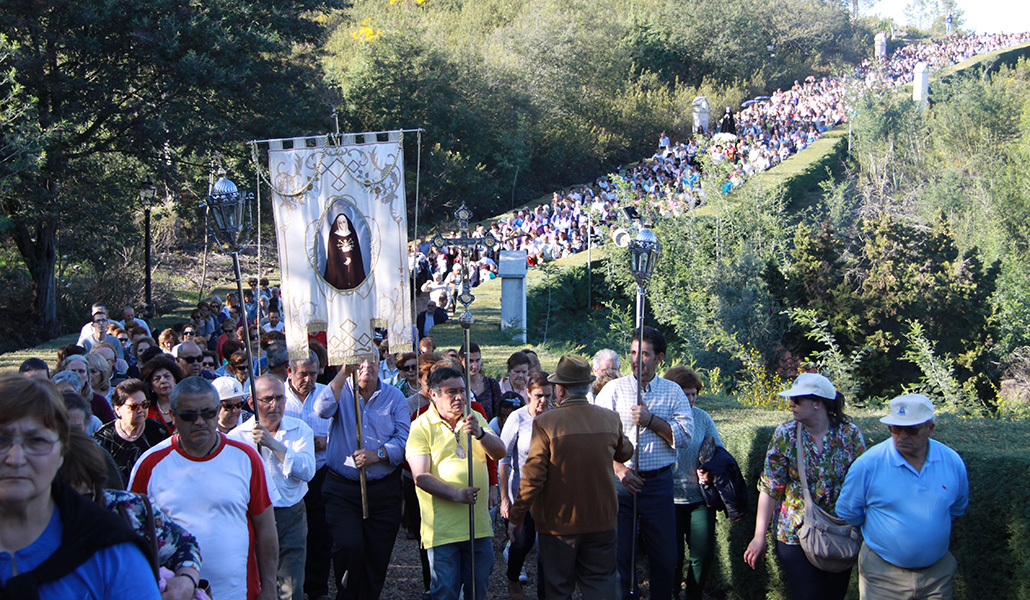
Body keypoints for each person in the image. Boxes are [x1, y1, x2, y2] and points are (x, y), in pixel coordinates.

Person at [0, 374, 160, 599]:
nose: (15, 458)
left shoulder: (110, 551)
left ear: (62, 451)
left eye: (36, 441)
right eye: (1, 440)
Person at [130, 377, 279, 600]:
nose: (199, 421)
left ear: (217, 410)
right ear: (173, 416)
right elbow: (131, 535)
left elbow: (266, 528)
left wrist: (268, 589)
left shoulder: (246, 458)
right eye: (189, 415)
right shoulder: (149, 465)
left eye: (207, 413)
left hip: (239, 593)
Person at [507, 355, 634, 600]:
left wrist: (517, 515)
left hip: (558, 523)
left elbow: (533, 476)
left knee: (558, 587)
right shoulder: (609, 418)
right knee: (601, 585)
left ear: (560, 389)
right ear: (587, 386)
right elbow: (626, 451)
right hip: (602, 519)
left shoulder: (546, 423)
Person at [743, 373, 866, 600]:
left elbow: (863, 485)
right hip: (794, 533)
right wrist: (759, 536)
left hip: (838, 532)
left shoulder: (849, 435)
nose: (791, 404)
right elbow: (771, 486)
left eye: (797, 400)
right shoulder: (786, 434)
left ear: (818, 403)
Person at [592, 326, 693, 600]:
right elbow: (597, 439)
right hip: (620, 486)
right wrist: (619, 469)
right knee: (619, 556)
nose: (638, 359)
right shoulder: (612, 391)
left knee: (665, 556)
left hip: (658, 485)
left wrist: (652, 421)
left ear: (659, 358)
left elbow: (685, 436)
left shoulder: (673, 393)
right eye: (634, 352)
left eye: (645, 354)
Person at [837, 394, 969, 600]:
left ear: (930, 428)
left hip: (937, 577)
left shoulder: (952, 461)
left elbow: (956, 508)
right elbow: (848, 511)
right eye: (896, 429)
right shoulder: (868, 464)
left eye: (912, 429)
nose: (902, 436)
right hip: (883, 577)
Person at [59, 429, 203, 600]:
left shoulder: (128, 508)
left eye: (86, 496)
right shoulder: (31, 530)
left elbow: (184, 545)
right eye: (63, 499)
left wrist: (185, 582)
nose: (77, 506)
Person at [313, 352, 410, 600]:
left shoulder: (394, 397)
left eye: (372, 360)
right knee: (348, 546)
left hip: (382, 490)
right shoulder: (340, 390)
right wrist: (343, 372)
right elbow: (322, 410)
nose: (366, 366)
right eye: (361, 361)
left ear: (380, 364)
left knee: (377, 554)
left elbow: (403, 439)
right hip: (342, 488)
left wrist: (378, 454)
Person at [406, 366, 507, 600]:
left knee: (477, 590)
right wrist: (456, 495)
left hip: (478, 526)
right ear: (433, 394)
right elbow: (420, 476)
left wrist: (480, 434)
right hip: (443, 530)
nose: (460, 397)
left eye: (463, 390)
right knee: (445, 592)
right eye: (452, 392)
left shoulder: (475, 417)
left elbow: (500, 452)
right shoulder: (420, 427)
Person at [230, 375, 316, 600]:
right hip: (253, 516)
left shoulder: (300, 429)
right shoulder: (237, 438)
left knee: (291, 585)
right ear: (251, 403)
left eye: (280, 398)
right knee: (257, 582)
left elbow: (307, 472)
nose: (274, 405)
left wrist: (274, 444)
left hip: (291, 513)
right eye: (267, 399)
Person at [664, 366, 723, 600]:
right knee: (672, 554)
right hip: (668, 498)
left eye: (693, 394)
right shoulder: (661, 417)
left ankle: (693, 593)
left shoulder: (702, 418)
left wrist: (709, 470)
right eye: (685, 393)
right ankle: (670, 592)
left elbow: (719, 451)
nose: (690, 399)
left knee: (704, 551)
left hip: (699, 498)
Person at [282, 352, 333, 600]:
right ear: (290, 371)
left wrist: (327, 442)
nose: (309, 379)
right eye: (303, 374)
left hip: (320, 472)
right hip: (287, 476)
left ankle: (317, 588)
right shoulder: (277, 397)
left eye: (314, 373)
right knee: (289, 537)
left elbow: (346, 431)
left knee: (320, 534)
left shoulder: (327, 395)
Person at [499, 372, 553, 599]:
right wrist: (504, 498)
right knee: (521, 543)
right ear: (528, 394)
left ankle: (547, 590)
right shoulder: (518, 418)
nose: (543, 401)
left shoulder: (556, 417)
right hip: (522, 491)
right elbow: (503, 457)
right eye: (539, 395)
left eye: (548, 396)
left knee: (549, 548)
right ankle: (513, 578)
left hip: (551, 494)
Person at [93, 378, 171, 486]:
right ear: (117, 409)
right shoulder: (103, 437)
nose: (140, 410)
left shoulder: (158, 431)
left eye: (144, 405)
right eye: (134, 406)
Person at [140, 356, 185, 434]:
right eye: (157, 379)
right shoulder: (147, 411)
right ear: (151, 386)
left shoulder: (189, 404)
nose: (163, 381)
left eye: (167, 376)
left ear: (175, 379)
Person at [324, 213, 367, 290]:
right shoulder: (334, 236)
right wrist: (343, 258)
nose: (342, 225)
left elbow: (356, 254)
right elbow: (332, 256)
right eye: (340, 223)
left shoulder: (352, 234)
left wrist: (351, 258)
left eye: (343, 222)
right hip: (339, 270)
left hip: (353, 270)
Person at [462, 343, 503, 421]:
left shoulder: (491, 384)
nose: (475, 366)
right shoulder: (458, 385)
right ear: (461, 360)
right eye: (470, 361)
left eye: (477, 360)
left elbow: (498, 414)